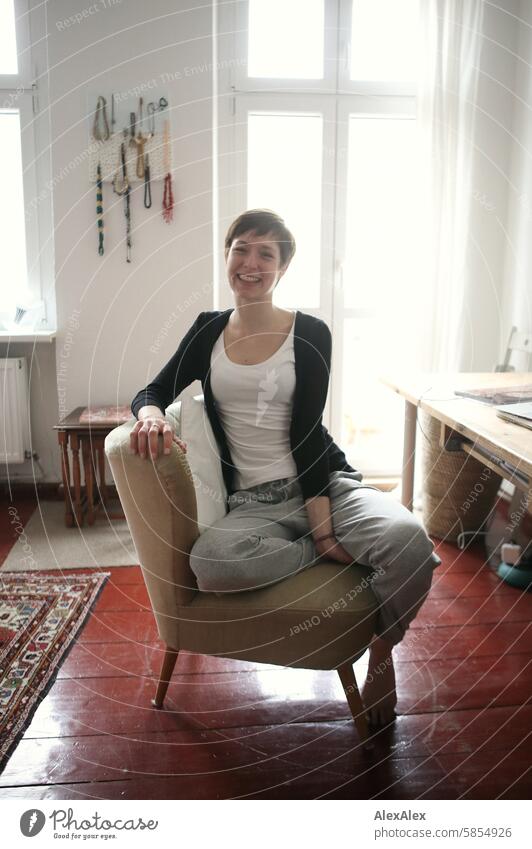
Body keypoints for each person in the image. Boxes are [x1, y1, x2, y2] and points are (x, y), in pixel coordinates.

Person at [130, 208, 438, 728]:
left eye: (265, 253)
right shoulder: (207, 330)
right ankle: (328, 556)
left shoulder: (311, 332)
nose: (251, 263)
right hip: (253, 504)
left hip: (326, 485)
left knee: (411, 544)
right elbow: (152, 390)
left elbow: (307, 434)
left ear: (283, 267)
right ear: (226, 256)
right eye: (241, 248)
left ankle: (383, 653)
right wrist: (152, 416)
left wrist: (323, 531)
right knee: (213, 564)